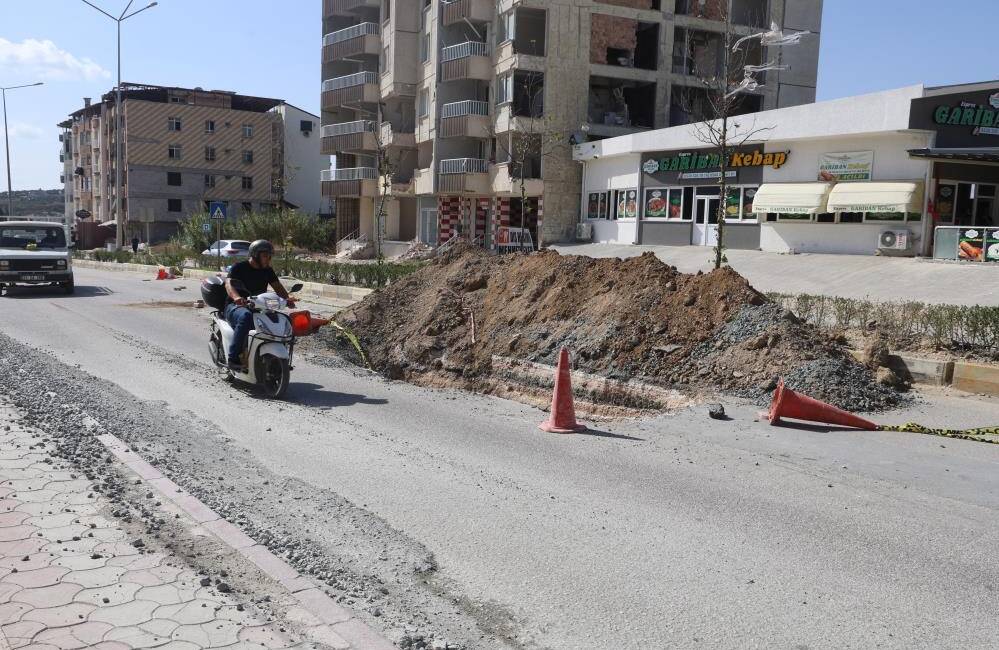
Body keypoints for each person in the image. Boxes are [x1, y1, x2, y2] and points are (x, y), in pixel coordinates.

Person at [223, 240, 296, 371]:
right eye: (265, 256)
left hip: (259, 306)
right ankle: (233, 359)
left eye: (269, 256)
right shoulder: (239, 267)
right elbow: (229, 285)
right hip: (236, 307)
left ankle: (282, 358)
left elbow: (278, 287)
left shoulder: (267, 270)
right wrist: (237, 298)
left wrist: (288, 299)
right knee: (246, 317)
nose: (268, 259)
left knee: (285, 320)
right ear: (255, 255)